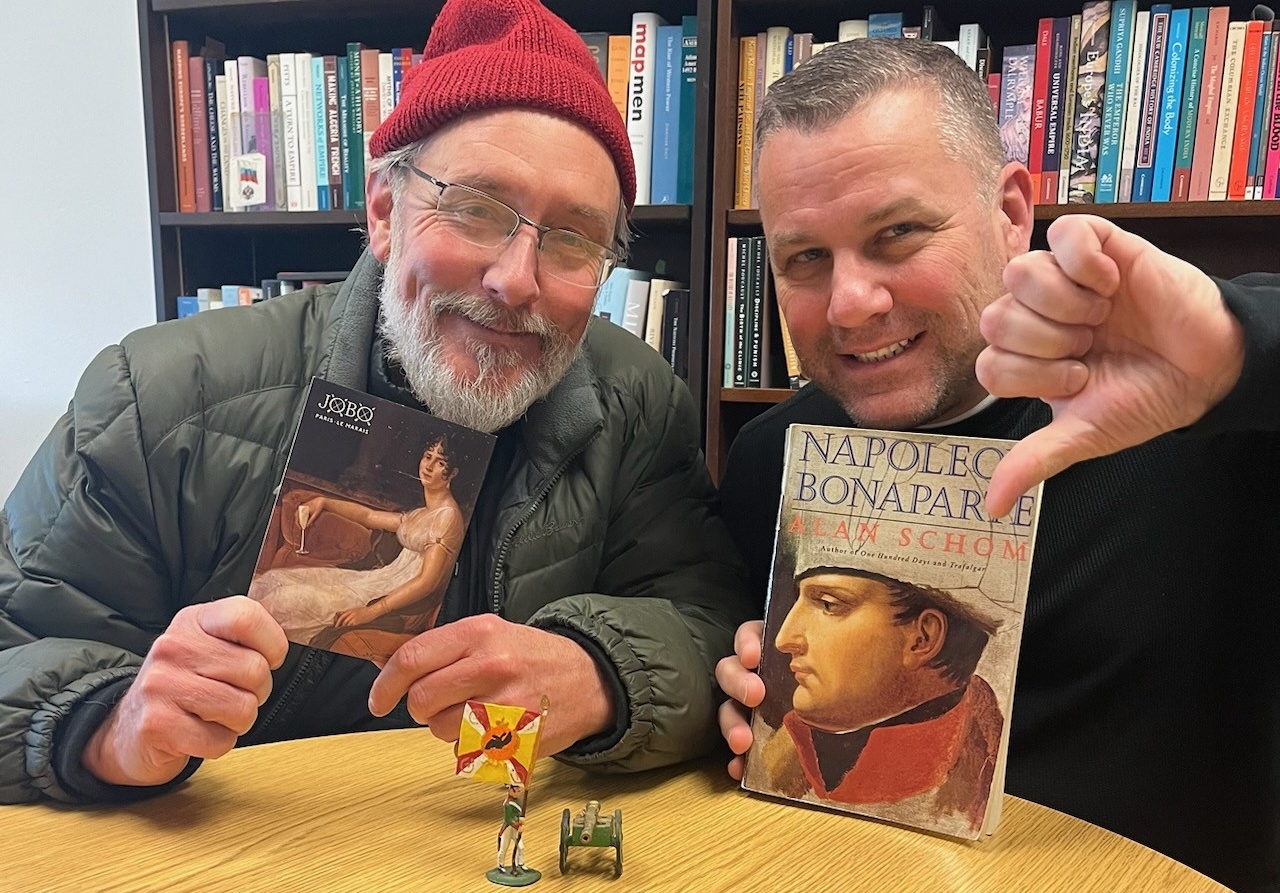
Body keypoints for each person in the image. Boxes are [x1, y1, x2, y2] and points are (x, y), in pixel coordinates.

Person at [0, 0, 751, 808]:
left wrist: (604, 671)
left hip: (489, 842)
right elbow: (18, 644)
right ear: (385, 211)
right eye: (476, 209)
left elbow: (717, 622)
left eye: (573, 237)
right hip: (228, 849)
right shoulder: (158, 397)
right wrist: (109, 726)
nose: (515, 280)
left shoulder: (637, 403)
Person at [714, 37, 1279, 893]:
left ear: (1012, 210)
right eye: (805, 258)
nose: (851, 302)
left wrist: (1244, 348)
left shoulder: (1205, 420)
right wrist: (729, 698)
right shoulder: (768, 462)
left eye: (897, 234)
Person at [753, 566, 1003, 836]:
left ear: (922, 638)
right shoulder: (779, 747)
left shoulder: (971, 778)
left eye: (828, 605)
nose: (783, 640)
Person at [250, 435, 467, 663]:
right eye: (427, 456)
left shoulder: (447, 517)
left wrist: (371, 612)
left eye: (440, 462)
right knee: (274, 580)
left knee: (285, 600)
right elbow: (369, 516)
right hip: (377, 582)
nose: (429, 466)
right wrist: (324, 501)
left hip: (393, 600)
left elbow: (427, 582)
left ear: (452, 473)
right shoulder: (422, 514)